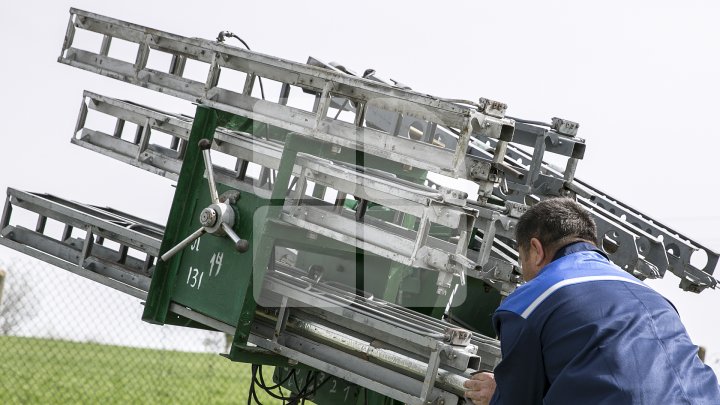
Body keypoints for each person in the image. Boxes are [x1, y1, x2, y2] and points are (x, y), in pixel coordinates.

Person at [464, 197, 720, 404]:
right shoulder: (656, 299)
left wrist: (497, 395)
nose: (524, 272)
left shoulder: (530, 303)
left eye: (522, 260)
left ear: (536, 249)